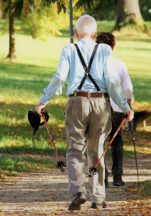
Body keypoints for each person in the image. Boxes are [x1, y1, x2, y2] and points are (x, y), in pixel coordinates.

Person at [35, 15, 134, 210]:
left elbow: (60, 77)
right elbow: (113, 83)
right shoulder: (105, 50)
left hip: (76, 102)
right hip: (101, 103)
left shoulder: (69, 49)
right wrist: (125, 107)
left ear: (76, 33)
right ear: (95, 34)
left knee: (74, 149)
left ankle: (78, 192)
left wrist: (43, 101)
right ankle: (98, 197)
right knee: (97, 150)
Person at [95, 32, 134, 188]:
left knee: (99, 142)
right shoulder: (119, 64)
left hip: (98, 107)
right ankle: (117, 177)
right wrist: (129, 103)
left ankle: (102, 178)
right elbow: (128, 88)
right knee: (117, 142)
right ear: (113, 47)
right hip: (117, 108)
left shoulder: (94, 65)